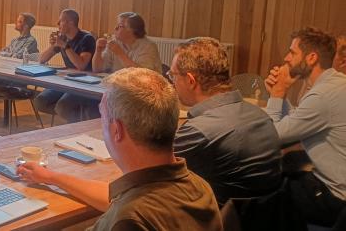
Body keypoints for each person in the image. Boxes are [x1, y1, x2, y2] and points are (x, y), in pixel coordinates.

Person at [18, 68, 222, 230]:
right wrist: (51, 177)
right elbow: (115, 196)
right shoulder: (198, 187)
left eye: (103, 117)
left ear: (117, 130)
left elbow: (126, 207)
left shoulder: (130, 219)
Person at [170, 37, 282, 205]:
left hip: (220, 222)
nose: (172, 83)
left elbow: (153, 175)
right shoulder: (260, 115)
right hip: (267, 219)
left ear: (191, 81)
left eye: (173, 75)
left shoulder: (199, 131)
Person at [264, 27, 346, 227]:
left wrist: (277, 94)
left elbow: (270, 137)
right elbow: (299, 123)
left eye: (292, 52)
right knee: (289, 165)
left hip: (335, 199)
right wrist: (280, 95)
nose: (286, 58)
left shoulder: (322, 95)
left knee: (267, 189)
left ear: (311, 58)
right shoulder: (336, 84)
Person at [33, 9, 97, 123]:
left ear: (70, 23)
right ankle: (74, 118)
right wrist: (53, 45)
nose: (57, 24)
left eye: (60, 21)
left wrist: (65, 46)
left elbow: (81, 65)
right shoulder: (63, 38)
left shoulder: (87, 38)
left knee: (63, 107)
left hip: (84, 83)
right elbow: (42, 59)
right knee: (40, 101)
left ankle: (77, 124)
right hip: (67, 80)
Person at [92, 12, 162, 74]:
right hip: (119, 86)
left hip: (145, 87)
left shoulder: (148, 46)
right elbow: (97, 69)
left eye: (120, 26)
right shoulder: (115, 42)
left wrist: (120, 53)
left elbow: (141, 75)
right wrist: (98, 51)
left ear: (133, 30)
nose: (115, 28)